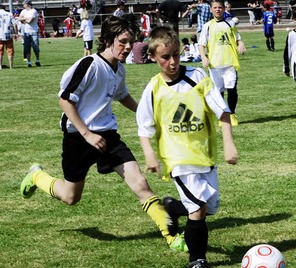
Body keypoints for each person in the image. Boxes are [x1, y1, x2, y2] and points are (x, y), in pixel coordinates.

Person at [19, 15, 186, 252]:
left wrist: (147, 114)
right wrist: (87, 134)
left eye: (131, 42)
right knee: (70, 197)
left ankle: (172, 237)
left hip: (108, 136)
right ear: (108, 39)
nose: (128, 47)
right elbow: (65, 100)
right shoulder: (89, 65)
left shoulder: (118, 70)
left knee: (140, 184)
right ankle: (36, 176)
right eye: (123, 41)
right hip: (79, 138)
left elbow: (122, 96)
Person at [136, 26, 238, 268]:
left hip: (204, 154)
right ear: (153, 57)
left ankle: (172, 207)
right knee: (199, 209)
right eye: (165, 57)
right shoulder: (153, 89)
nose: (172, 62)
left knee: (209, 207)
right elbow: (143, 127)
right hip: (177, 159)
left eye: (175, 55)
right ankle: (197, 260)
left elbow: (222, 111)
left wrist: (229, 144)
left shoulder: (198, 77)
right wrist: (150, 154)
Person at [198, 0, 246, 126]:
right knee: (218, 92)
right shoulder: (207, 26)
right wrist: (203, 57)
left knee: (232, 89)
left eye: (220, 7)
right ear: (211, 10)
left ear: (224, 9)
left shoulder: (230, 24)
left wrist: (241, 44)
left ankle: (232, 114)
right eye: (215, 7)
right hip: (215, 64)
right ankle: (223, 116)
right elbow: (201, 44)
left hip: (230, 63)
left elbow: (238, 38)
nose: (218, 9)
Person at [18, 0, 41, 67]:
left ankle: (37, 60)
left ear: (27, 4)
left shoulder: (33, 11)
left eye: (24, 4)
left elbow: (30, 21)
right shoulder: (23, 11)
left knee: (35, 47)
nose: (23, 5)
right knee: (27, 47)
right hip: (26, 31)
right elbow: (19, 18)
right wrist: (26, 19)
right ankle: (29, 62)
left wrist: (23, 19)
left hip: (34, 31)